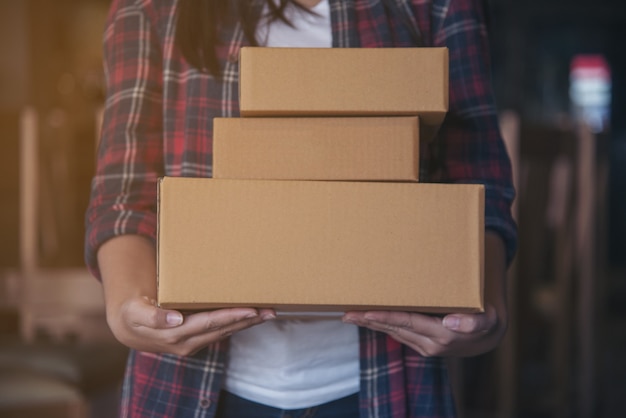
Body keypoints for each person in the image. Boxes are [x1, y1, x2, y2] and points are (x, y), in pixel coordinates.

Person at [85, 0, 517, 417]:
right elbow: (123, 192)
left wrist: (485, 303)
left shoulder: (432, 3)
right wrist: (128, 312)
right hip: (192, 385)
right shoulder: (154, 6)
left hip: (385, 381)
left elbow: (476, 171)